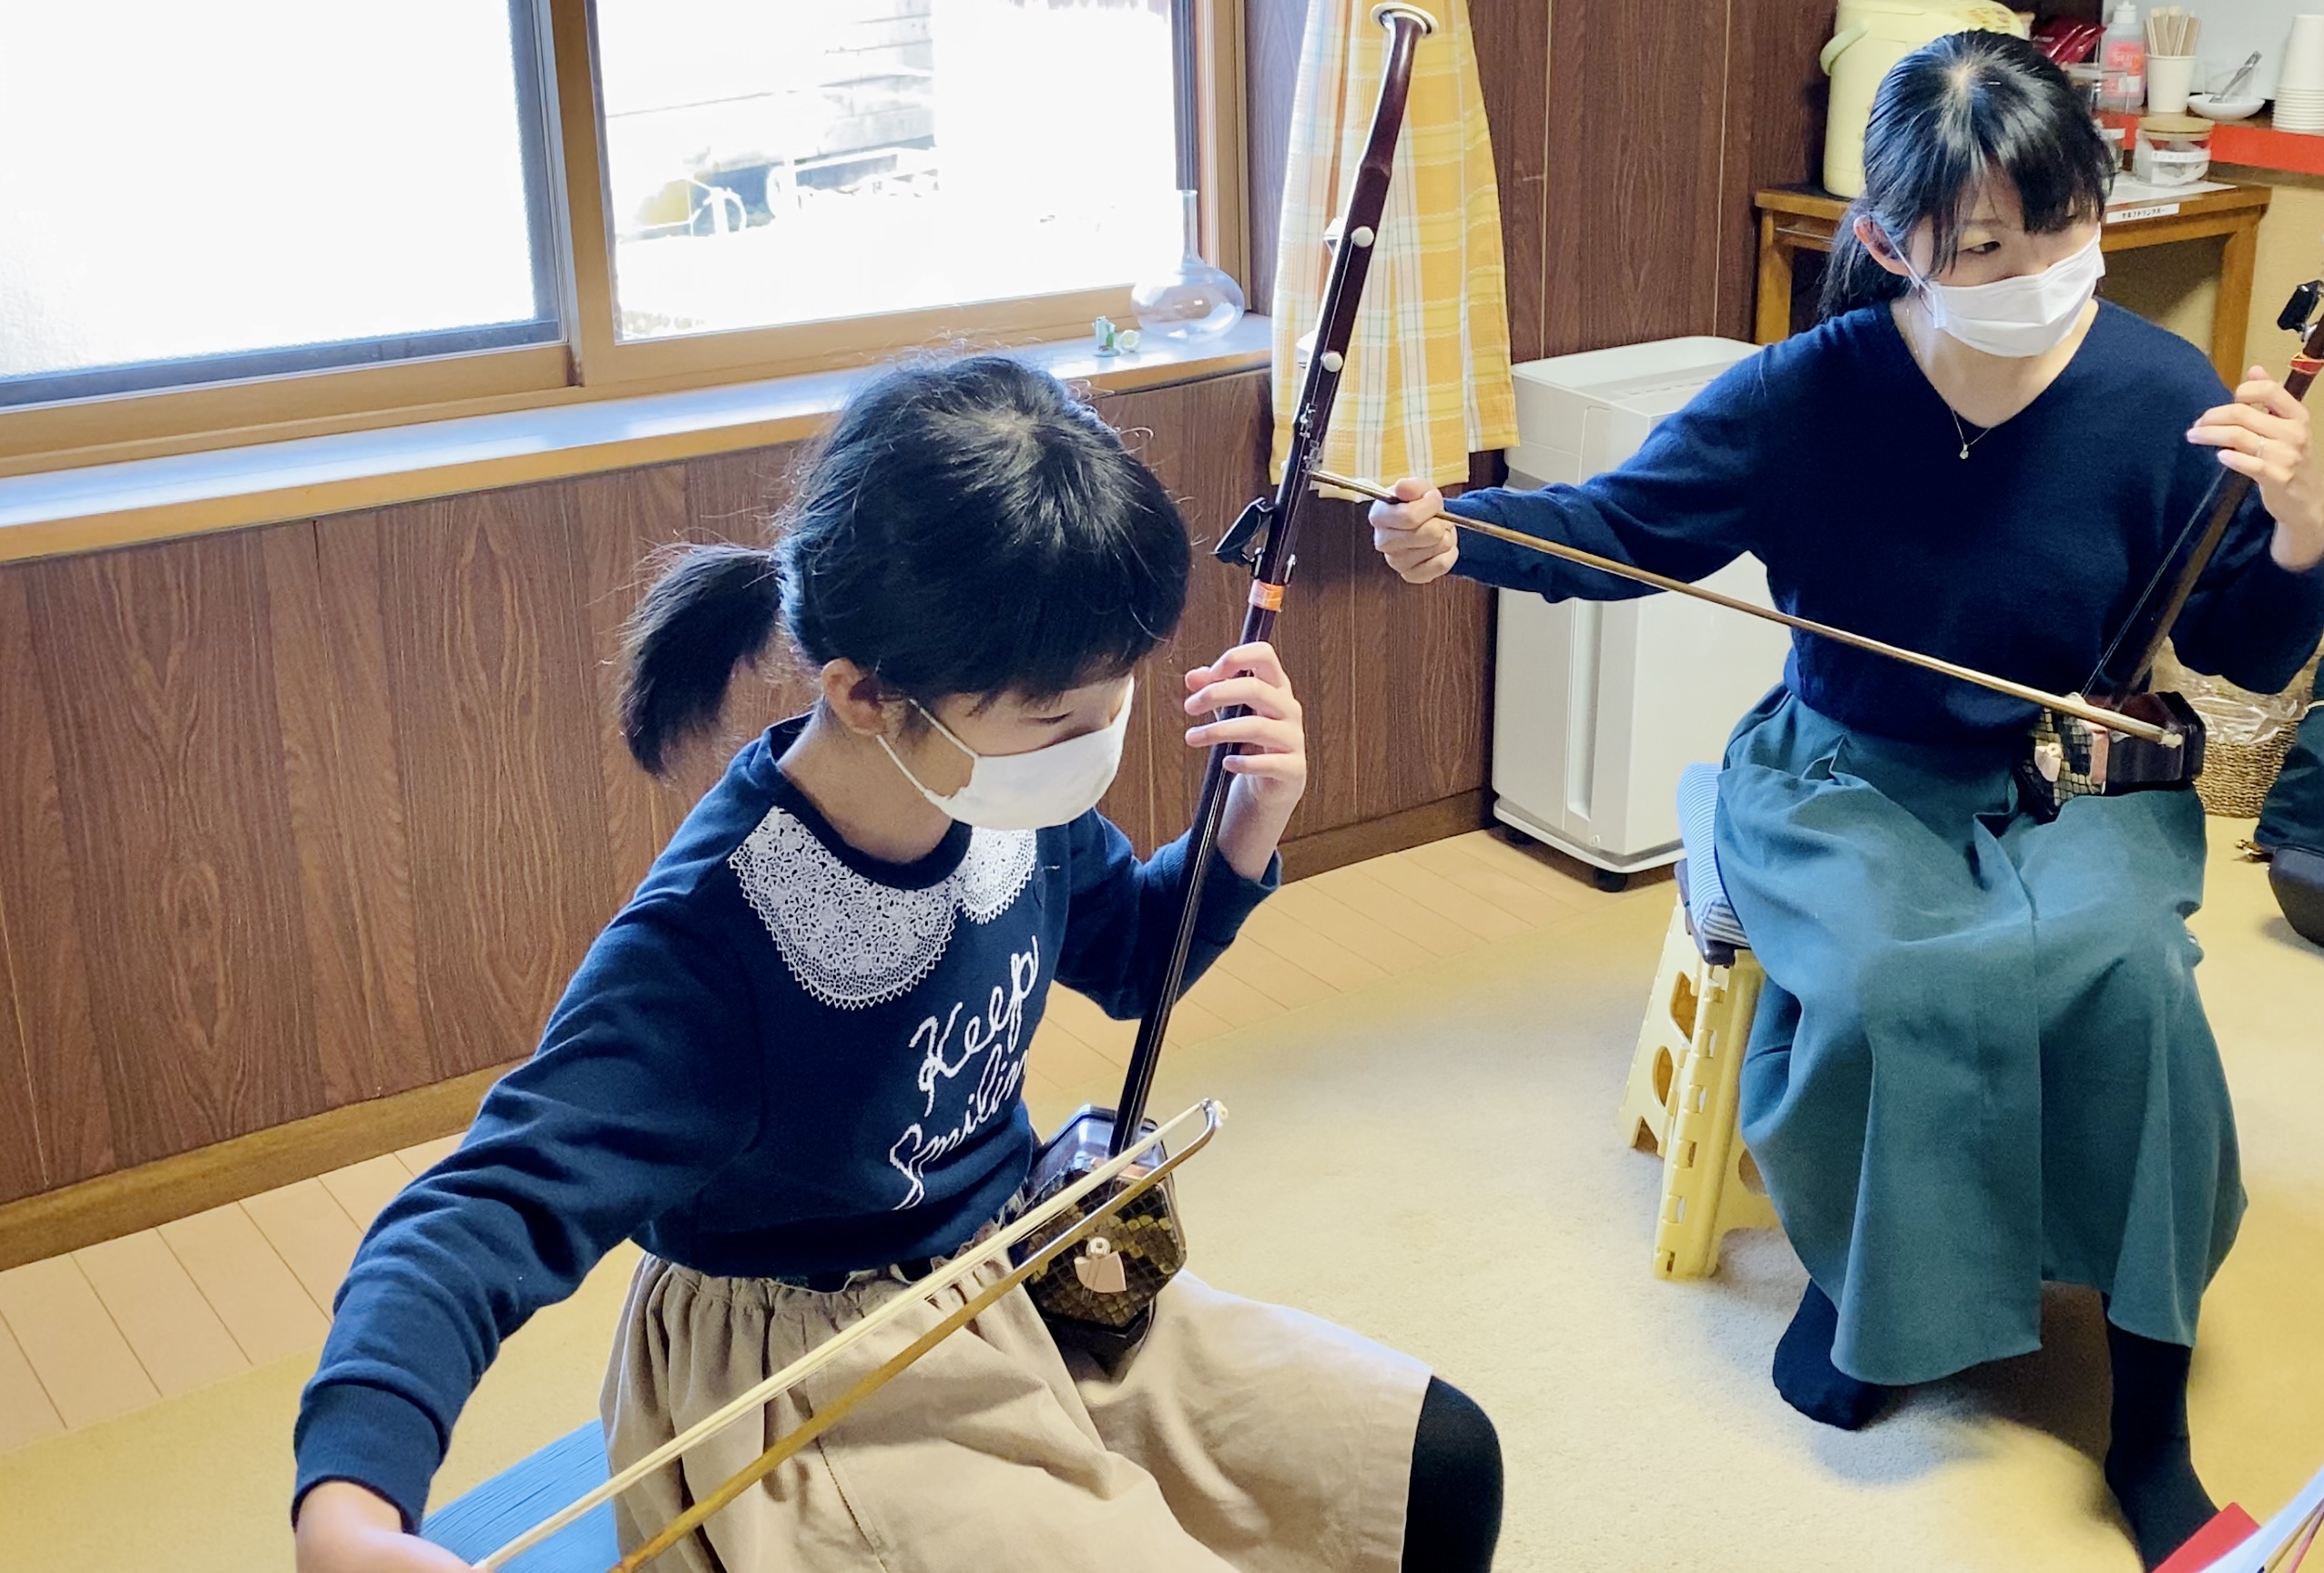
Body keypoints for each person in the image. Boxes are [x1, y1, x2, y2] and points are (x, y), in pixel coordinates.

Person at [1367, 32, 2324, 1568]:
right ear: (1891, 243)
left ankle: (2147, 1420)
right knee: (1898, 983)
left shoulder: (2161, 389)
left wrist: (2293, 526)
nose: (2043, 270)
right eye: (1991, 247)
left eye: (2066, 224)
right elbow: (1620, 527)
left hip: (2068, 776)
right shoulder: (1803, 392)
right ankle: (1869, 1289)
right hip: (1842, 771)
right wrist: (1459, 535)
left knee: (2133, 982)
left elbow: (2243, 648)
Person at [291, 356, 1503, 1573]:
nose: (1095, 743)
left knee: (1436, 1464)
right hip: (807, 1372)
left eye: (1117, 697)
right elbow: (481, 1209)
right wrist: (347, 1506)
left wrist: (1244, 823)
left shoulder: (1001, 789)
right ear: (866, 693)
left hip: (1016, 1270)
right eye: (1058, 718)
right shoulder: (711, 944)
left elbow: (1133, 957)